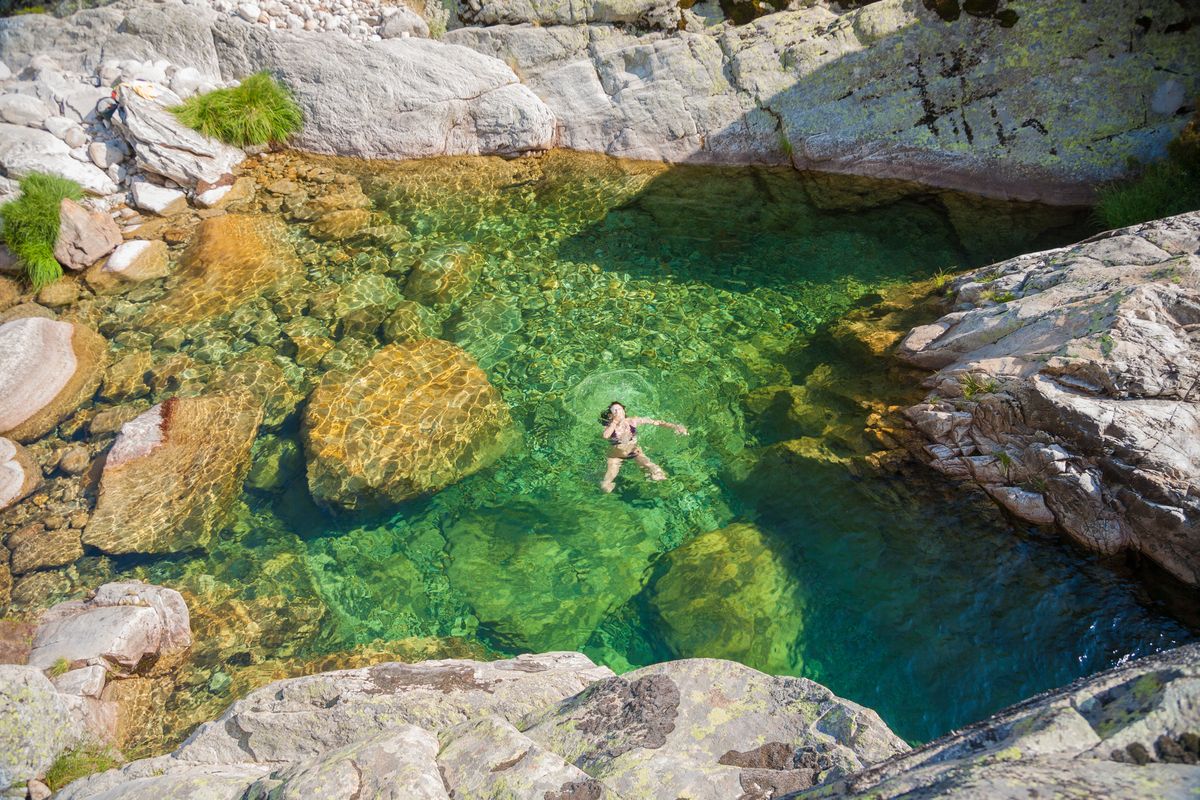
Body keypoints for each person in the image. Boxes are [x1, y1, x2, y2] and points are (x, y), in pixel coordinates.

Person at [598, 401, 687, 493]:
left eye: (620, 409)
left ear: (624, 412)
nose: (619, 412)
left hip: (634, 452)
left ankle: (659, 486)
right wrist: (615, 422)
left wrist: (675, 426)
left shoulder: (632, 421)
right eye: (615, 411)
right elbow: (605, 436)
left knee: (658, 472)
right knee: (605, 485)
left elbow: (656, 422)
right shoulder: (609, 427)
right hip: (615, 456)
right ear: (610, 416)